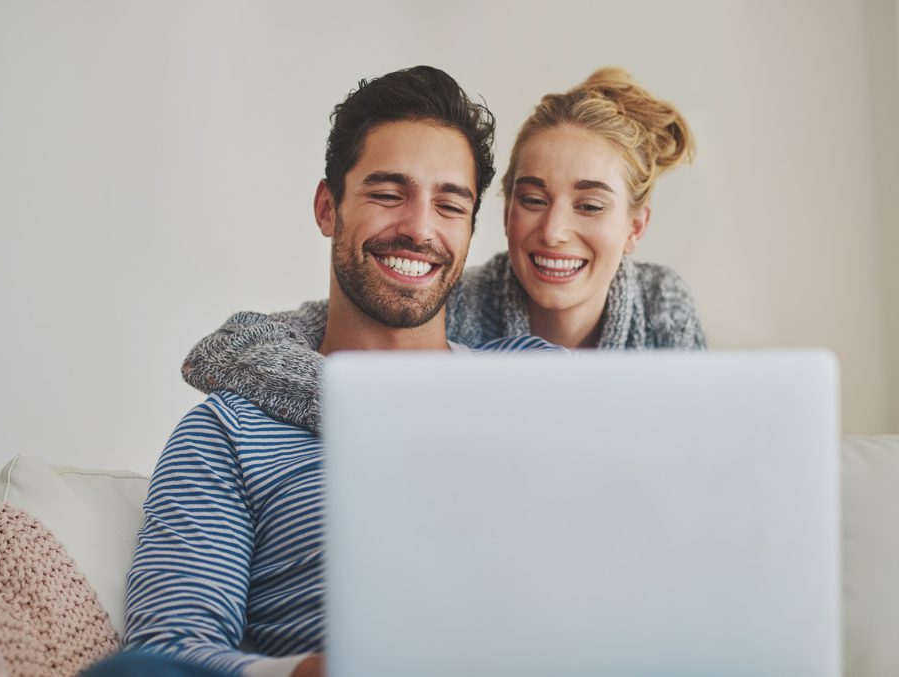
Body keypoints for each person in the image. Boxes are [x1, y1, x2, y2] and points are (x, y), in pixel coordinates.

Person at [85, 66, 560, 677]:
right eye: (388, 194)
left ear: (469, 230)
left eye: (449, 204)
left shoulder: (538, 380)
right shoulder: (226, 433)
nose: (419, 228)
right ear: (327, 207)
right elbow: (172, 649)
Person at [180, 67, 704, 434]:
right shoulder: (457, 306)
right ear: (502, 213)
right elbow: (243, 347)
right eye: (532, 199)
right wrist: (393, 411)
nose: (553, 232)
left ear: (635, 227)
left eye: (589, 205)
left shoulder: (661, 308)